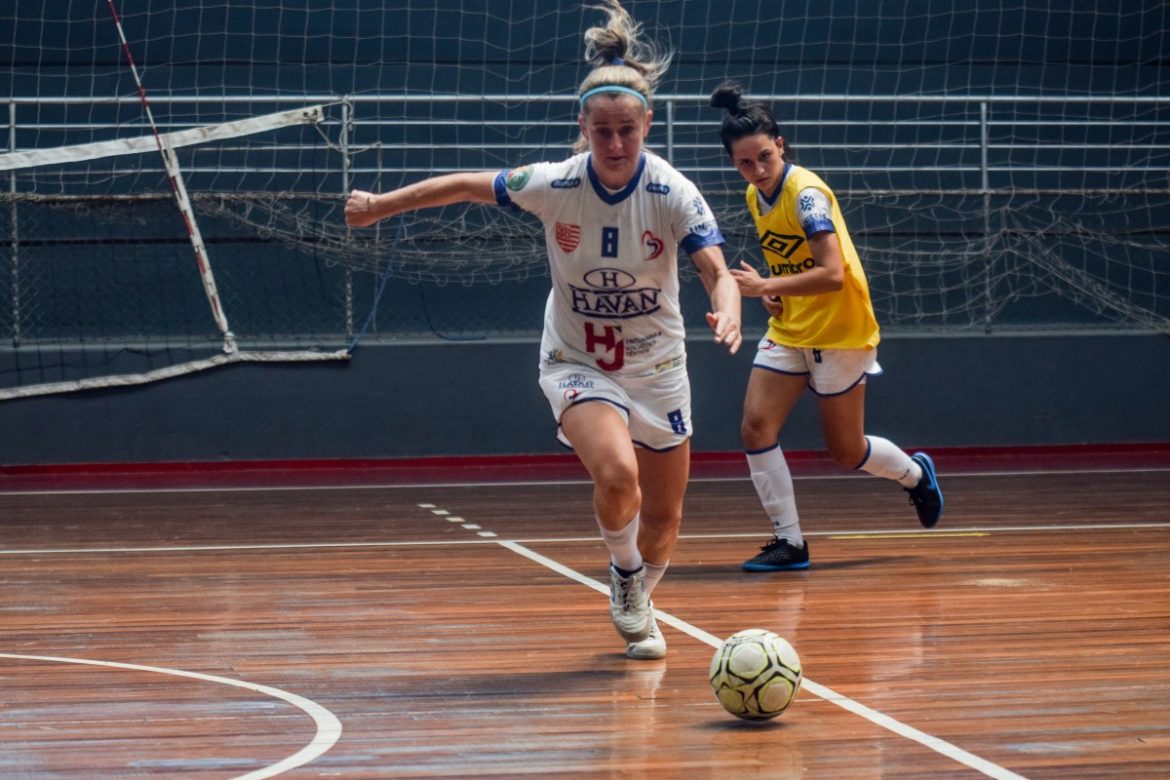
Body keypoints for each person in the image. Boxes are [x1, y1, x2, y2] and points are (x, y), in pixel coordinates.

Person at [347, 1, 742, 659]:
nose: (615, 146)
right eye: (602, 132)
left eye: (627, 131)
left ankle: (640, 592)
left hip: (658, 367)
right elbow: (466, 186)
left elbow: (716, 270)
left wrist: (728, 307)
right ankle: (622, 576)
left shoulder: (673, 191)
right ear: (582, 127)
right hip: (576, 359)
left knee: (666, 520)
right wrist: (381, 205)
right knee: (620, 477)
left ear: (648, 124)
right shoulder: (555, 182)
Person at [709, 81, 943, 572]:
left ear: (781, 145)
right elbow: (792, 265)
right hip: (793, 328)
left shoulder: (807, 194)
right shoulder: (757, 195)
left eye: (764, 158)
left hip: (840, 329)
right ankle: (789, 543)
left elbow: (833, 273)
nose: (756, 170)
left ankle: (914, 475)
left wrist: (764, 284)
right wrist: (774, 292)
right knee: (755, 427)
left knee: (845, 450)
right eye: (744, 164)